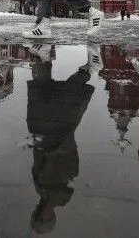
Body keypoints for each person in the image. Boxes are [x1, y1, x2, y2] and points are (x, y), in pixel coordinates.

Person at [26, 43, 95, 234]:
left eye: (37, 217)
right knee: (69, 93)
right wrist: (65, 143)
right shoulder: (62, 197)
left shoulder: (40, 190)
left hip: (42, 133)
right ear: (51, 217)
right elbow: (72, 165)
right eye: (44, 218)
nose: (41, 214)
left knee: (43, 89)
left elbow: (37, 159)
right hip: (59, 136)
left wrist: (37, 142)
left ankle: (44, 56)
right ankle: (88, 68)